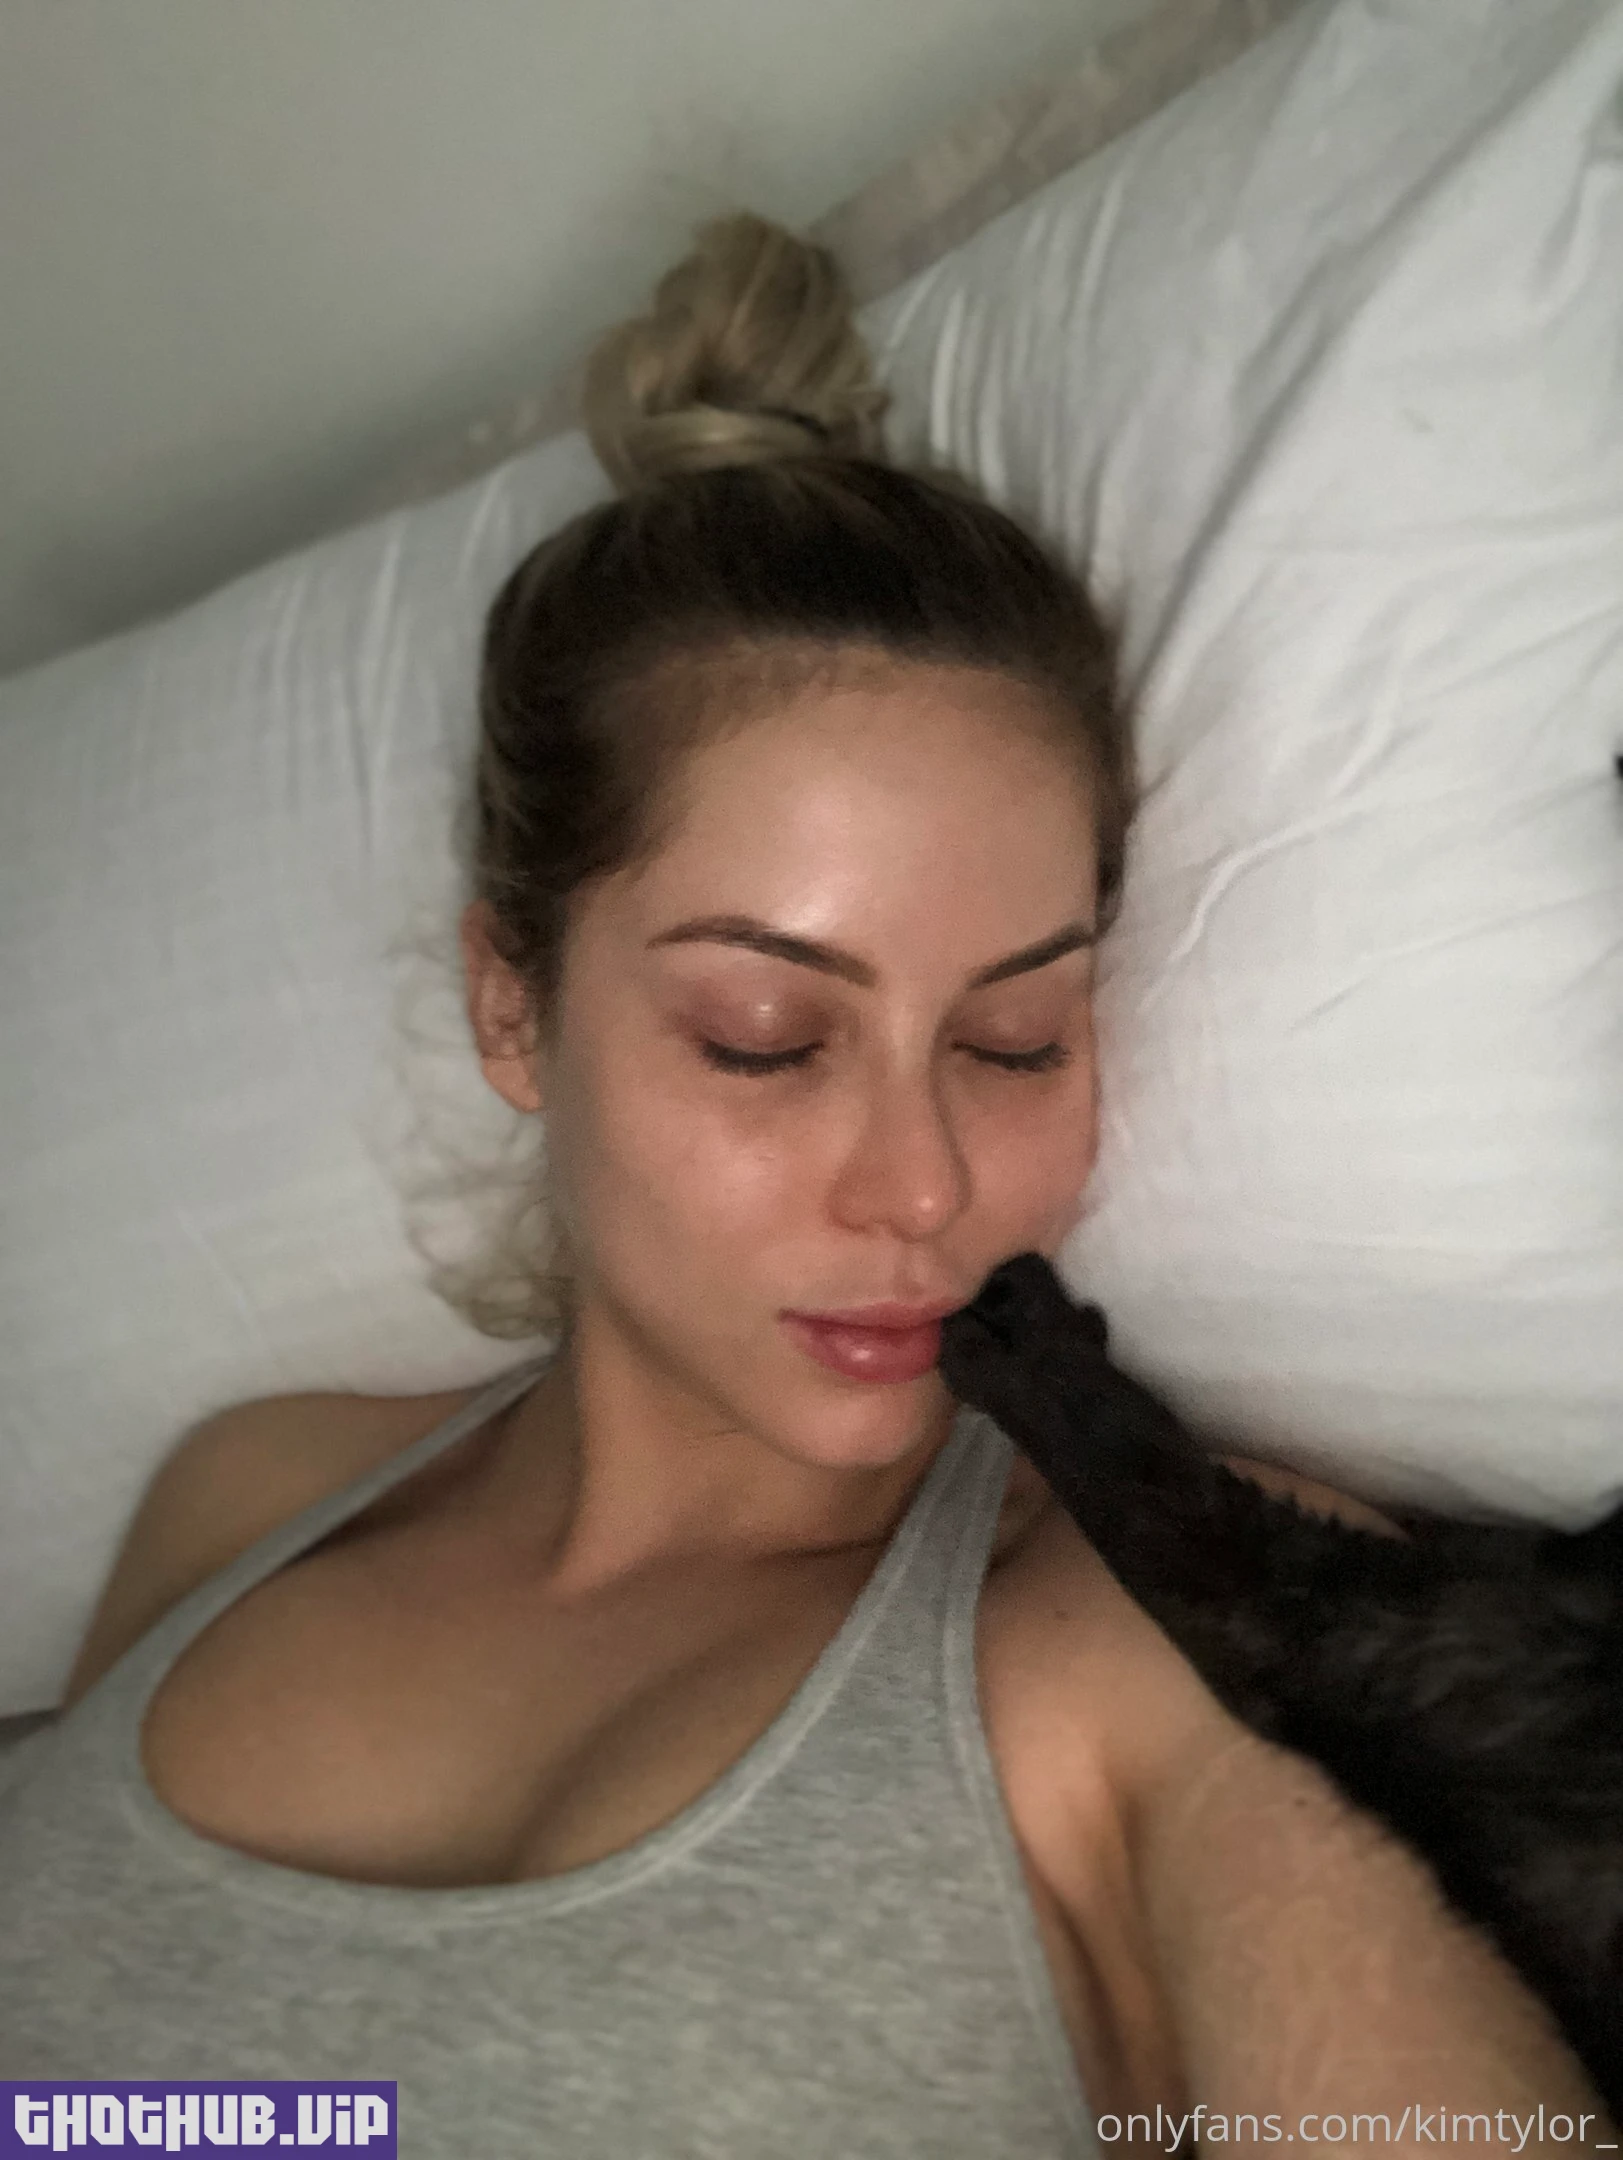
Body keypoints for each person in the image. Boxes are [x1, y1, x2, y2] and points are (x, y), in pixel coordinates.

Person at [0, 216, 1605, 2156]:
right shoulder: (240, 1503)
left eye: (1011, 1038)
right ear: (513, 1006)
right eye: (764, 1036)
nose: (921, 1187)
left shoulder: (1158, 1625)